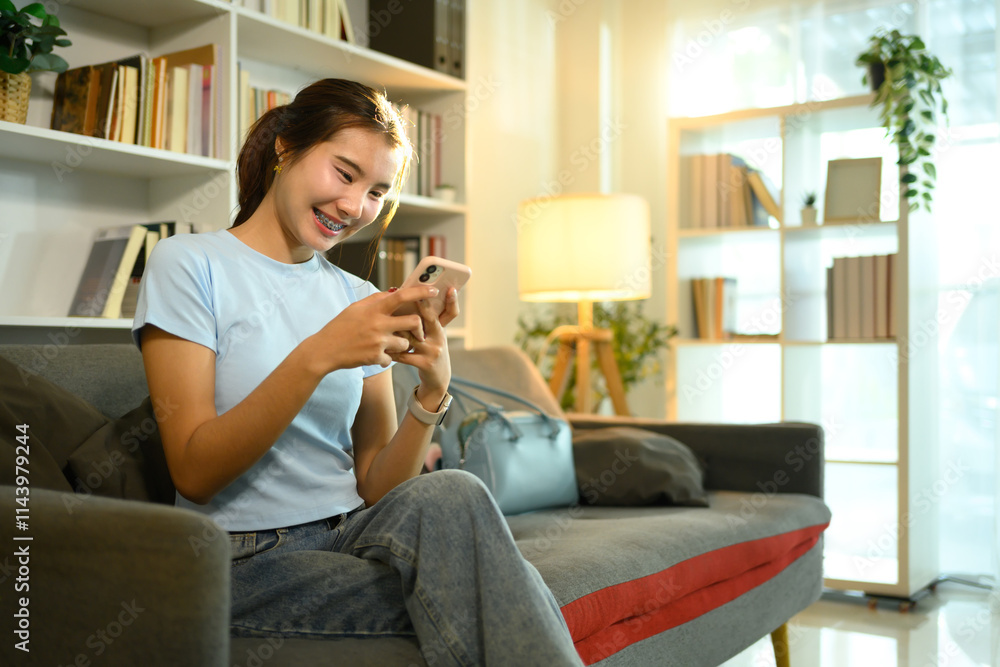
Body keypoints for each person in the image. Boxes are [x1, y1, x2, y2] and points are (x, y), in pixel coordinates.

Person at [131, 78, 583, 666]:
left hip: (355, 534)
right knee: (496, 592)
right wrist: (320, 352)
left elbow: (375, 485)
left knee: (455, 493)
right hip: (243, 562)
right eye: (344, 174)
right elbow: (193, 470)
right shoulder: (189, 265)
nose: (354, 207)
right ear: (286, 147)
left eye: (376, 192)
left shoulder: (360, 295)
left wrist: (432, 392)